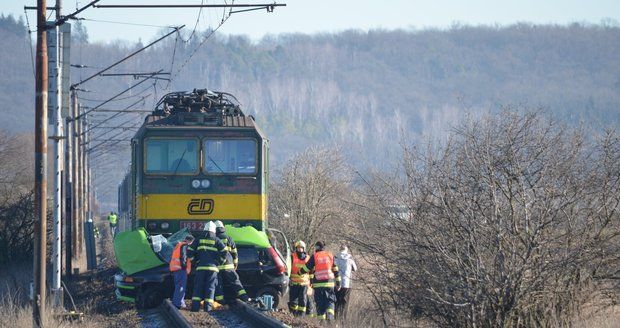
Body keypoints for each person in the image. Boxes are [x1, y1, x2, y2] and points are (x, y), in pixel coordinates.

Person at [190, 221, 227, 312]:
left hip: (200, 268)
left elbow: (190, 251)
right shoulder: (217, 240)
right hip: (213, 269)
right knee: (210, 288)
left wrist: (195, 262)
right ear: (214, 230)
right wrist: (219, 262)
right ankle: (208, 308)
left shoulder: (198, 239)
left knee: (198, 287)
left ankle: (195, 308)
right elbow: (224, 251)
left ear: (204, 229)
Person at [300, 241, 340, 321]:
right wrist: (338, 283)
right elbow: (336, 270)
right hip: (329, 284)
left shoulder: (315, 256)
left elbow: (307, 267)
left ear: (317, 247)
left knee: (320, 304)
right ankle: (330, 317)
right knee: (330, 301)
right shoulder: (330, 255)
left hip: (318, 285)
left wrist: (300, 272)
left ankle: (321, 323)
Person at [213, 220, 249, 304]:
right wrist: (235, 264)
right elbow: (234, 253)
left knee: (218, 284)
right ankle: (244, 298)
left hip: (217, 266)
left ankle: (220, 301)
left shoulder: (213, 239)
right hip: (228, 266)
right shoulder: (228, 238)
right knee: (235, 282)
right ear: (223, 228)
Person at [170, 234, 195, 309]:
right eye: (191, 242)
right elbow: (183, 256)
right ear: (189, 241)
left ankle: (179, 302)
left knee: (178, 286)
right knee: (181, 287)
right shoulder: (184, 246)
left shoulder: (178, 245)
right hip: (181, 269)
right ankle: (178, 303)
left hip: (176, 269)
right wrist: (184, 266)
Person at [334, 244, 357, 320]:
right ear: (346, 250)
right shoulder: (350, 259)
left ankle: (335, 319)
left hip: (336, 283)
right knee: (345, 303)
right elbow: (355, 269)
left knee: (336, 301)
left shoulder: (335, 258)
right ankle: (342, 320)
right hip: (347, 284)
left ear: (340, 250)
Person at [289, 240, 310, 316]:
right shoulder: (292, 256)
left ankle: (301, 316)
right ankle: (293, 314)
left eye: (301, 248)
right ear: (296, 248)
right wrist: (289, 279)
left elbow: (311, 271)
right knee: (293, 301)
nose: (299, 249)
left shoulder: (308, 258)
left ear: (304, 248)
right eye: (298, 248)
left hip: (304, 283)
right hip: (293, 283)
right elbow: (288, 269)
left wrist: (311, 284)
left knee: (303, 300)